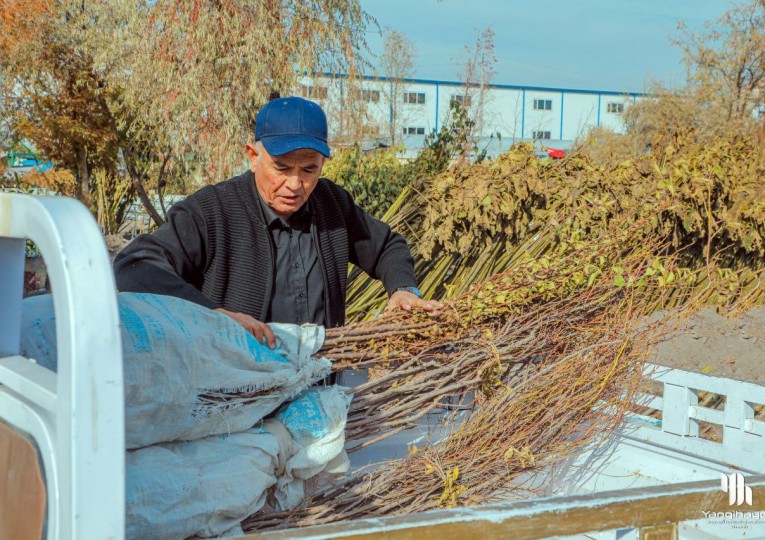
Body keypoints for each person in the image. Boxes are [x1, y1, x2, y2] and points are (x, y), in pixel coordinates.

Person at [114, 96, 438, 347]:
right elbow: (135, 265)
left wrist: (403, 289)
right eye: (282, 168)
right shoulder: (212, 210)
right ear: (254, 156)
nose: (296, 185)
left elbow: (386, 247)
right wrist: (213, 315)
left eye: (309, 169)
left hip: (317, 382)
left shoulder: (332, 204)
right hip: (237, 394)